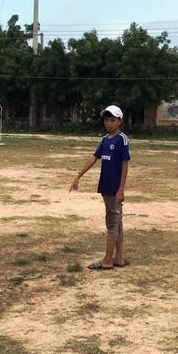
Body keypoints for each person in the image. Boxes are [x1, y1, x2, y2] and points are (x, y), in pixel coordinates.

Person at [70, 105, 130, 270]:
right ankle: (118, 258)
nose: (108, 123)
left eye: (112, 120)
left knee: (112, 223)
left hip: (114, 189)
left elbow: (125, 165)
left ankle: (107, 260)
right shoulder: (105, 140)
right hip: (105, 187)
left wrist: (121, 189)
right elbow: (93, 158)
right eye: (106, 120)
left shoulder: (122, 139)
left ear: (119, 121)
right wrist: (78, 176)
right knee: (117, 223)